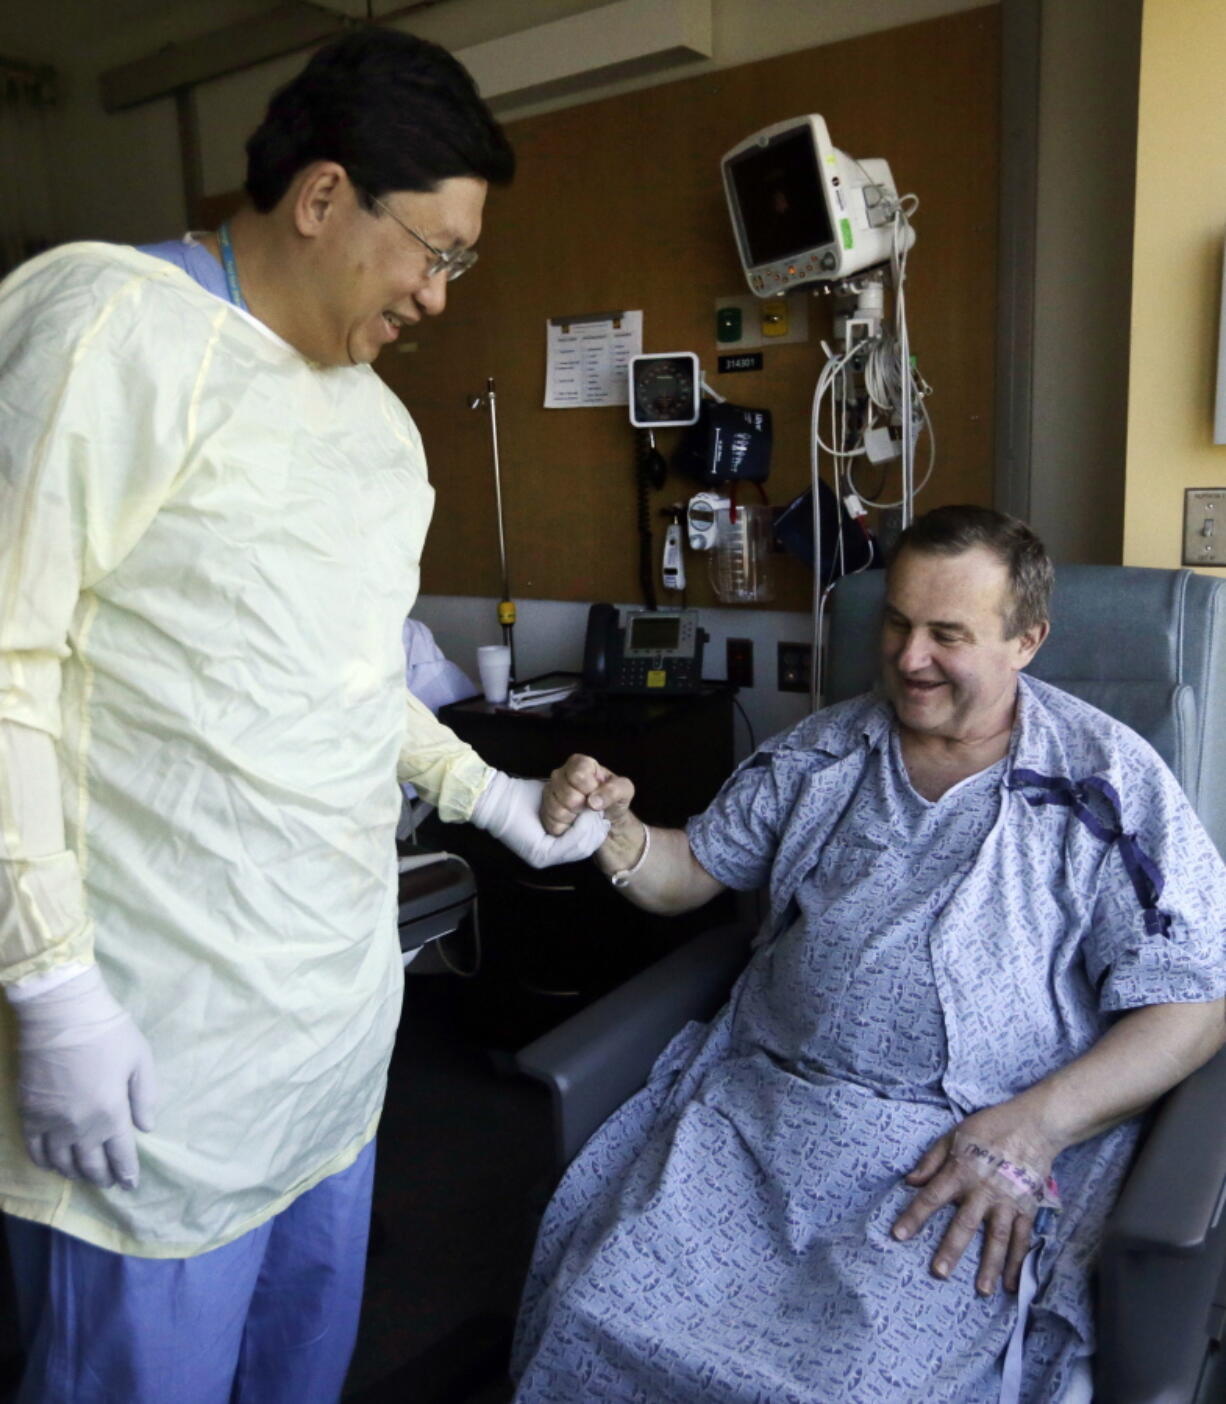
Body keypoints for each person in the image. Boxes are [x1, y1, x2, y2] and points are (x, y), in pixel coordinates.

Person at [0, 28, 606, 1404]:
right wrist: (50, 988)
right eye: (434, 253)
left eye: (462, 266)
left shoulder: (378, 435)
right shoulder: (109, 327)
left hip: (328, 1047)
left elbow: (342, 681)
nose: (441, 298)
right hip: (154, 1059)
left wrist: (493, 800)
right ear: (323, 196)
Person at [513, 505, 1226, 1403]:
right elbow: (689, 871)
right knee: (597, 1312)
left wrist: (1036, 1127)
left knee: (859, 1385)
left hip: (964, 1150)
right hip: (762, 1116)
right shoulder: (822, 751)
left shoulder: (1104, 784)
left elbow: (1196, 1002)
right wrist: (611, 831)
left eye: (946, 634)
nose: (907, 656)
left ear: (1027, 641)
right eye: (896, 622)